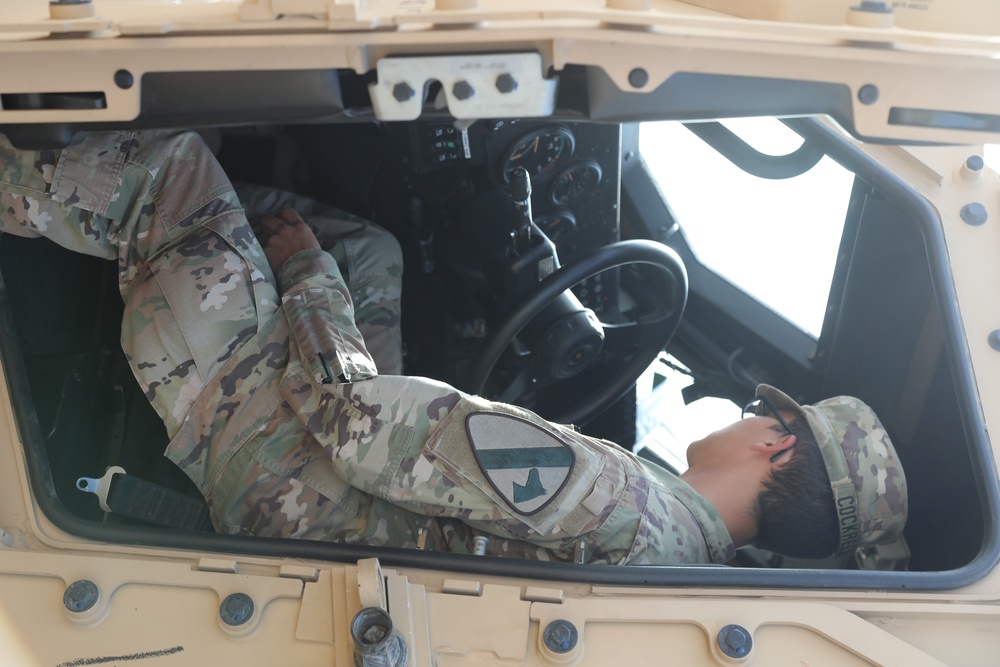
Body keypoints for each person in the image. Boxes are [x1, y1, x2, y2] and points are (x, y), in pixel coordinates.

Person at [0, 129, 908, 565]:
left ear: (778, 444)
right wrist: (323, 270)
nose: (752, 411)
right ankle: (229, 235)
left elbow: (348, 414)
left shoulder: (613, 496)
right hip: (344, 510)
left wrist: (307, 277)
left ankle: (101, 199)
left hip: (273, 454)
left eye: (768, 411)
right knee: (376, 254)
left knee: (178, 171)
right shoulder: (684, 558)